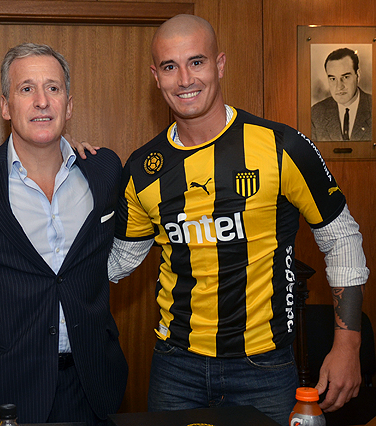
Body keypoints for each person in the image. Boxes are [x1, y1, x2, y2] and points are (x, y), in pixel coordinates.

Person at [103, 15, 368, 425]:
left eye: (197, 62)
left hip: (265, 368)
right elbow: (119, 261)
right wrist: (67, 167)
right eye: (170, 67)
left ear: (220, 64)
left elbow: (342, 238)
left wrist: (348, 346)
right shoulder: (142, 169)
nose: (185, 79)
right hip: (176, 369)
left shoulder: (283, 146)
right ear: (156, 77)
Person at [0, 43, 127, 426]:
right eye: (26, 89)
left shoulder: (104, 170)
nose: (41, 101)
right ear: (6, 106)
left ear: (68, 106)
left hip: (89, 388)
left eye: (53, 88)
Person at [311, 47, 372, 141]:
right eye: (333, 79)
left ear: (358, 76)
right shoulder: (316, 114)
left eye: (346, 77)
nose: (339, 87)